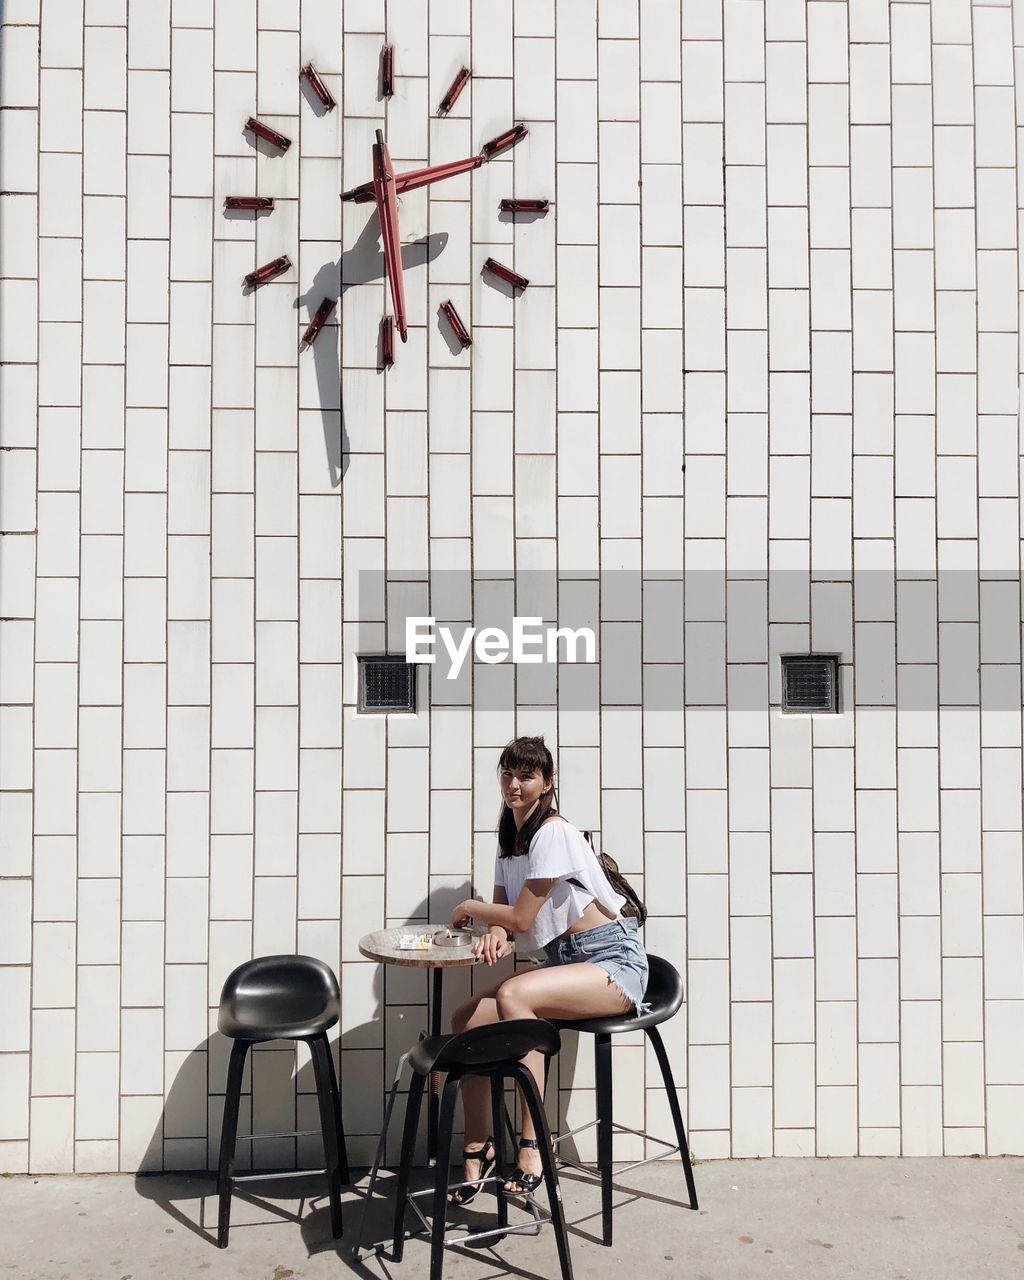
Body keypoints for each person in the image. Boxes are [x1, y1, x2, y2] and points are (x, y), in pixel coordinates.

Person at [447, 734, 649, 1202]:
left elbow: (517, 917)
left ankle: (533, 1144)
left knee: (514, 997)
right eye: (508, 773)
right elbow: (509, 922)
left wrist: (471, 906)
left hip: (610, 961)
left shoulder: (553, 833)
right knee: (464, 1021)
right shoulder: (508, 841)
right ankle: (480, 1145)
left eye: (526, 775)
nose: (514, 784)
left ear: (547, 784)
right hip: (563, 962)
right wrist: (495, 931)